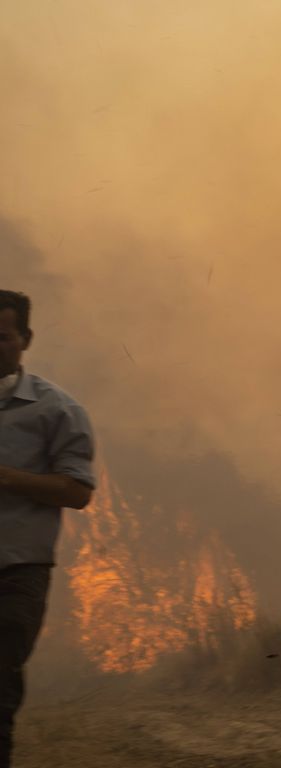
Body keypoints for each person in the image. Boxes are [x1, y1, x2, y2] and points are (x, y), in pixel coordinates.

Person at [0, 290, 95, 768]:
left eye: (2, 337)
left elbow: (78, 492)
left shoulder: (55, 410)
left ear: (25, 339)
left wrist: (10, 477)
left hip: (16, 571)